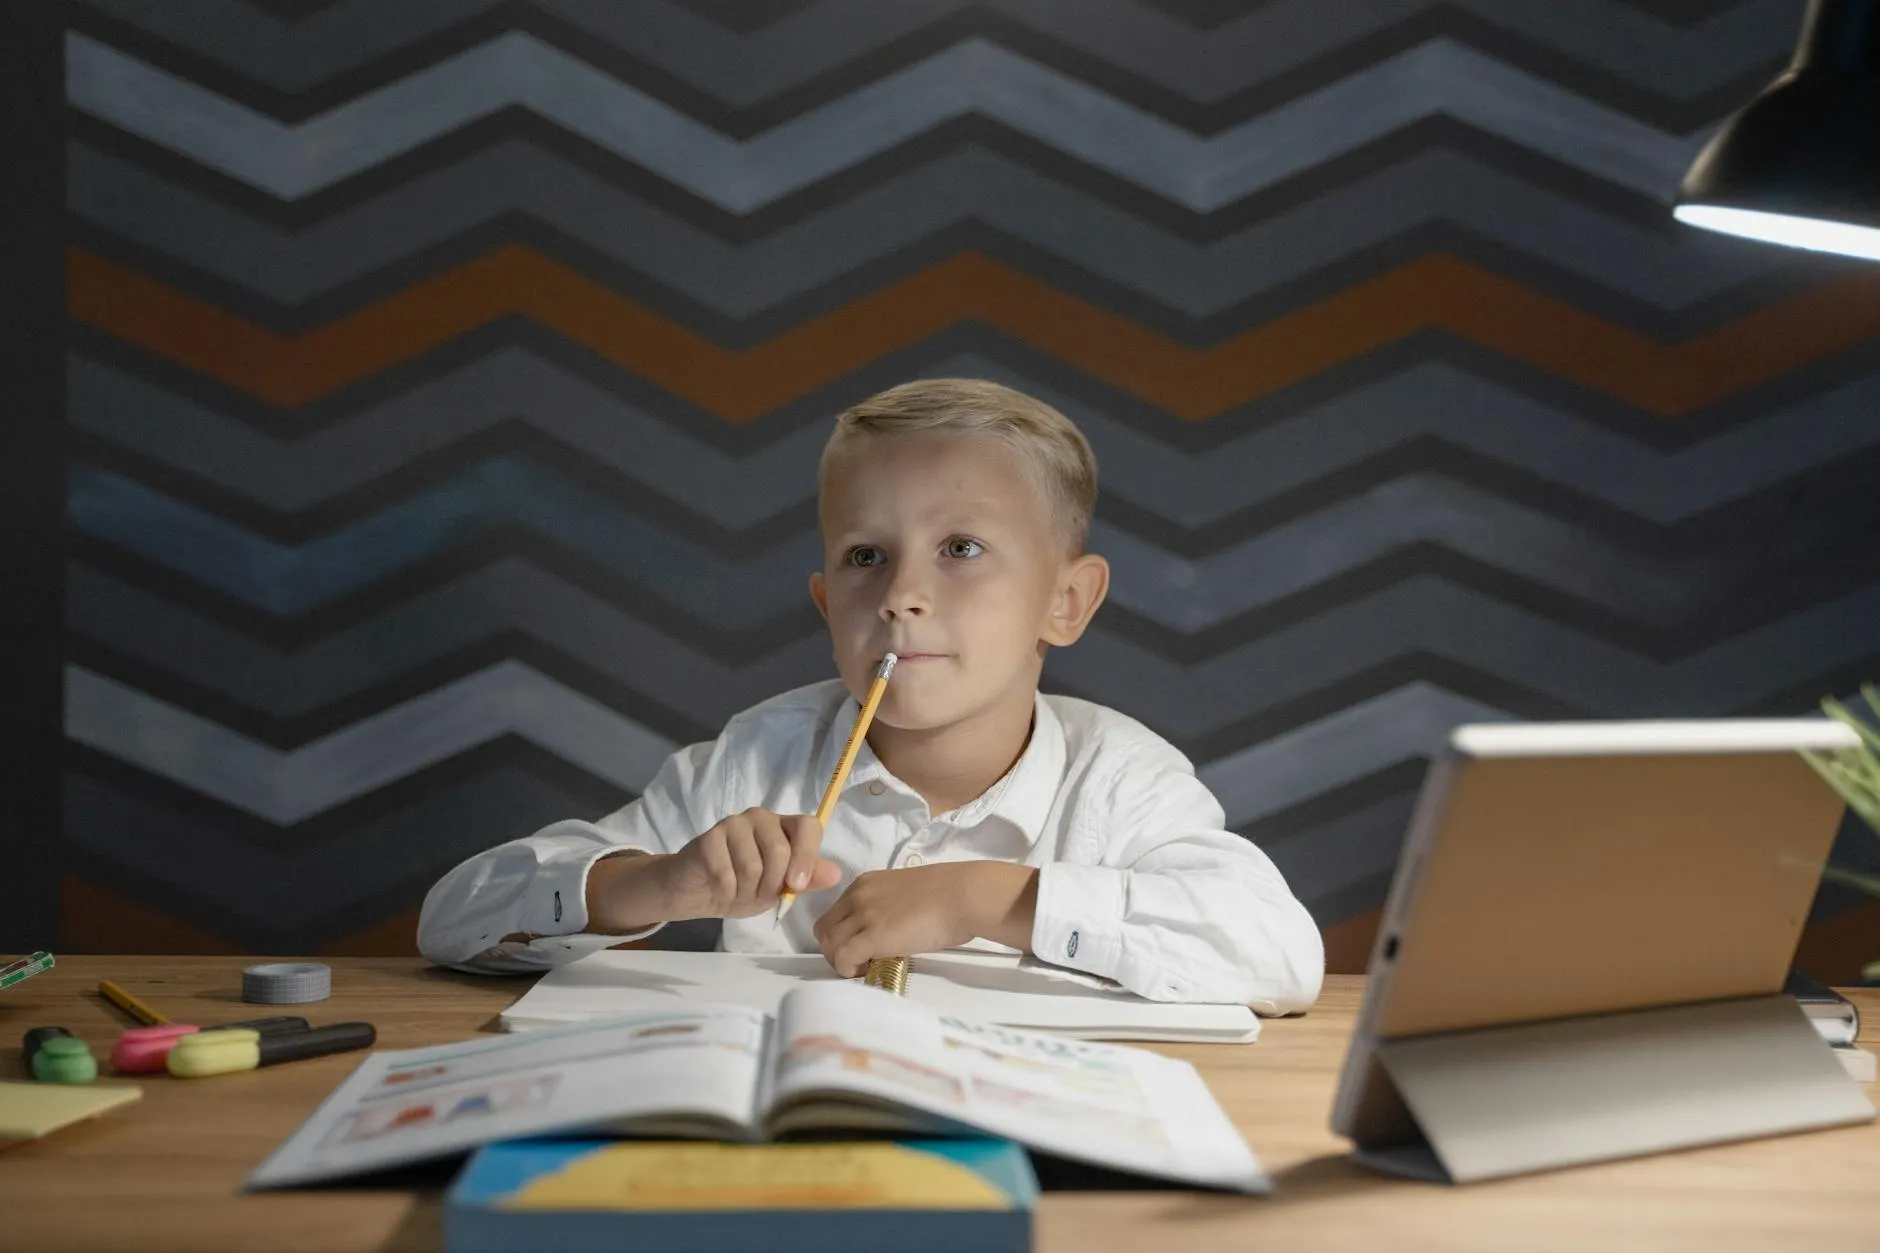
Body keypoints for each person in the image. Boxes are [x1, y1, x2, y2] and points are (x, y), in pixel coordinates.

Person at [417, 379, 1324, 1012]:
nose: (899, 594)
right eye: (864, 557)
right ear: (826, 604)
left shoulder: (1122, 779)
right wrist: (653, 882)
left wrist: (992, 899)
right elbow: (453, 919)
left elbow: (1283, 955)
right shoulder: (756, 759)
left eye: (961, 547)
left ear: (1066, 600)